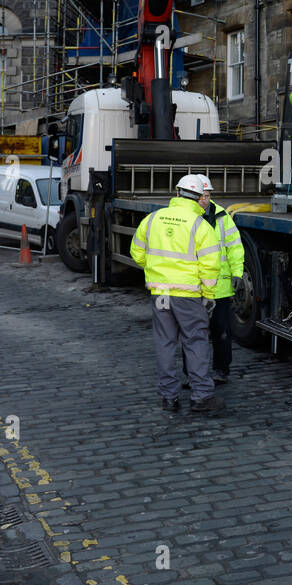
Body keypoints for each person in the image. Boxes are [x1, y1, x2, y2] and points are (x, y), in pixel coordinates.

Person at [129, 174, 221, 414]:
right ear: (200, 197)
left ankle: (169, 397)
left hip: (160, 294)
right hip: (189, 296)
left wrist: (158, 271)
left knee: (165, 342)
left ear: (177, 193)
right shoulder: (201, 225)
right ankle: (201, 396)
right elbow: (210, 266)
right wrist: (209, 294)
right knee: (196, 342)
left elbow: (137, 253)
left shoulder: (152, 219)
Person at [180, 176, 245, 383]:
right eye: (201, 196)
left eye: (207, 196)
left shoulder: (222, 216)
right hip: (193, 287)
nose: (204, 200)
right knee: (193, 334)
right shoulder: (186, 217)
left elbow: (234, 247)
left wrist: (237, 274)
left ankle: (221, 370)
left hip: (220, 288)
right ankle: (193, 374)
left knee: (221, 331)